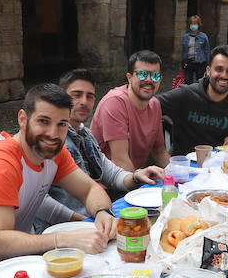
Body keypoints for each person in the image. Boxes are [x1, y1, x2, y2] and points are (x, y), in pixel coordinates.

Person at [0, 83, 118, 262]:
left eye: (62, 124)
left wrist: (102, 212)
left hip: (15, 258)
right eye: (43, 121)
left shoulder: (53, 152)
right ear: (23, 119)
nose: (53, 134)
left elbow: (90, 189)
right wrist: (63, 239)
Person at [51, 69, 165, 215]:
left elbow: (110, 173)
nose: (84, 102)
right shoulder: (53, 141)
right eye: (77, 95)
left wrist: (137, 176)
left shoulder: (85, 135)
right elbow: (41, 200)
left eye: (90, 96)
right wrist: (81, 219)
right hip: (66, 227)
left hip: (95, 215)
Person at [157, 45, 228, 156]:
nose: (224, 75)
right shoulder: (185, 95)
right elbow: (151, 105)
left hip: (221, 165)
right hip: (185, 165)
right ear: (208, 71)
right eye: (219, 69)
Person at [91, 50, 170, 172]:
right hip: (107, 182)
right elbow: (120, 160)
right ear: (129, 78)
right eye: (142, 74)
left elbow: (159, 151)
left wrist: (178, 177)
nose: (149, 80)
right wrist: (141, 187)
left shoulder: (154, 104)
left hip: (135, 176)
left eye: (155, 76)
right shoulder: (115, 102)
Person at [180, 15, 211, 85]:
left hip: (200, 63)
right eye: (192, 24)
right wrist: (182, 63)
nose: (193, 25)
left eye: (195, 24)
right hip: (188, 62)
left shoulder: (203, 36)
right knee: (187, 82)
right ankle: (189, 95)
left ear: (198, 25)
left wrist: (208, 64)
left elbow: (207, 50)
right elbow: (183, 51)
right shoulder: (185, 37)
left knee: (200, 82)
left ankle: (199, 95)